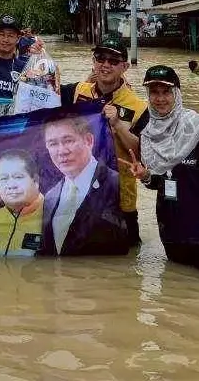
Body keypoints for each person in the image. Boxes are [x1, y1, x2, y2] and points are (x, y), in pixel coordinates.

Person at [124, 66, 199, 272]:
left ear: (177, 93)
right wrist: (145, 176)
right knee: (173, 290)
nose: (160, 98)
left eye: (166, 92)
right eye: (154, 92)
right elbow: (158, 183)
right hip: (171, 226)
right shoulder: (147, 131)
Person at [70, 33, 148, 247]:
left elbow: (143, 154)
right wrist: (37, 58)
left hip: (121, 200)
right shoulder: (77, 91)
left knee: (128, 268)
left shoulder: (139, 107)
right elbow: (41, 99)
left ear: (125, 67)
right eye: (100, 59)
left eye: (113, 61)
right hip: (80, 196)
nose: (106, 65)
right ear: (93, 62)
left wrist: (119, 125)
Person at [37, 114, 128, 256]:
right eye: (53, 144)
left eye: (68, 141)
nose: (62, 151)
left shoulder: (117, 184)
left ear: (89, 140)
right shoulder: (50, 197)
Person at [0, 150, 43, 257]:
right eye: (4, 179)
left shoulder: (53, 215)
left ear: (35, 181)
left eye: (18, 177)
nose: (11, 185)